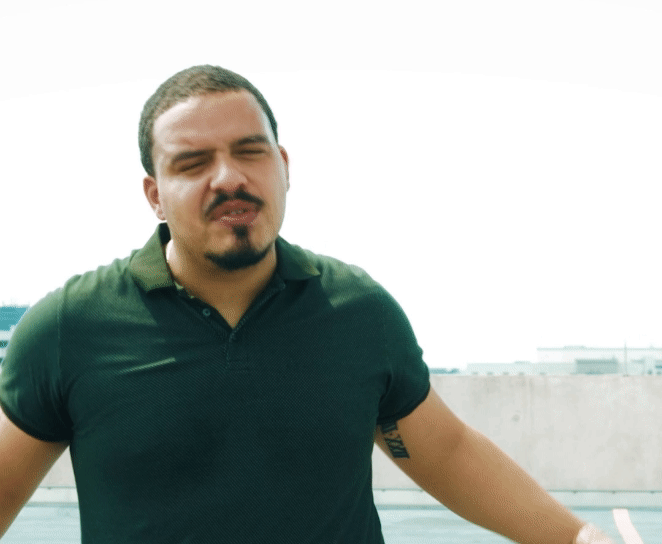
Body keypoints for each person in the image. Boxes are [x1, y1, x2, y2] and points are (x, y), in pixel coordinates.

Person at [0, 65, 613, 544]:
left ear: (284, 166)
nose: (228, 178)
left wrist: (578, 537)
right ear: (154, 195)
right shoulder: (69, 328)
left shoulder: (357, 310)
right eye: (193, 163)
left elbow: (447, 452)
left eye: (250, 151)